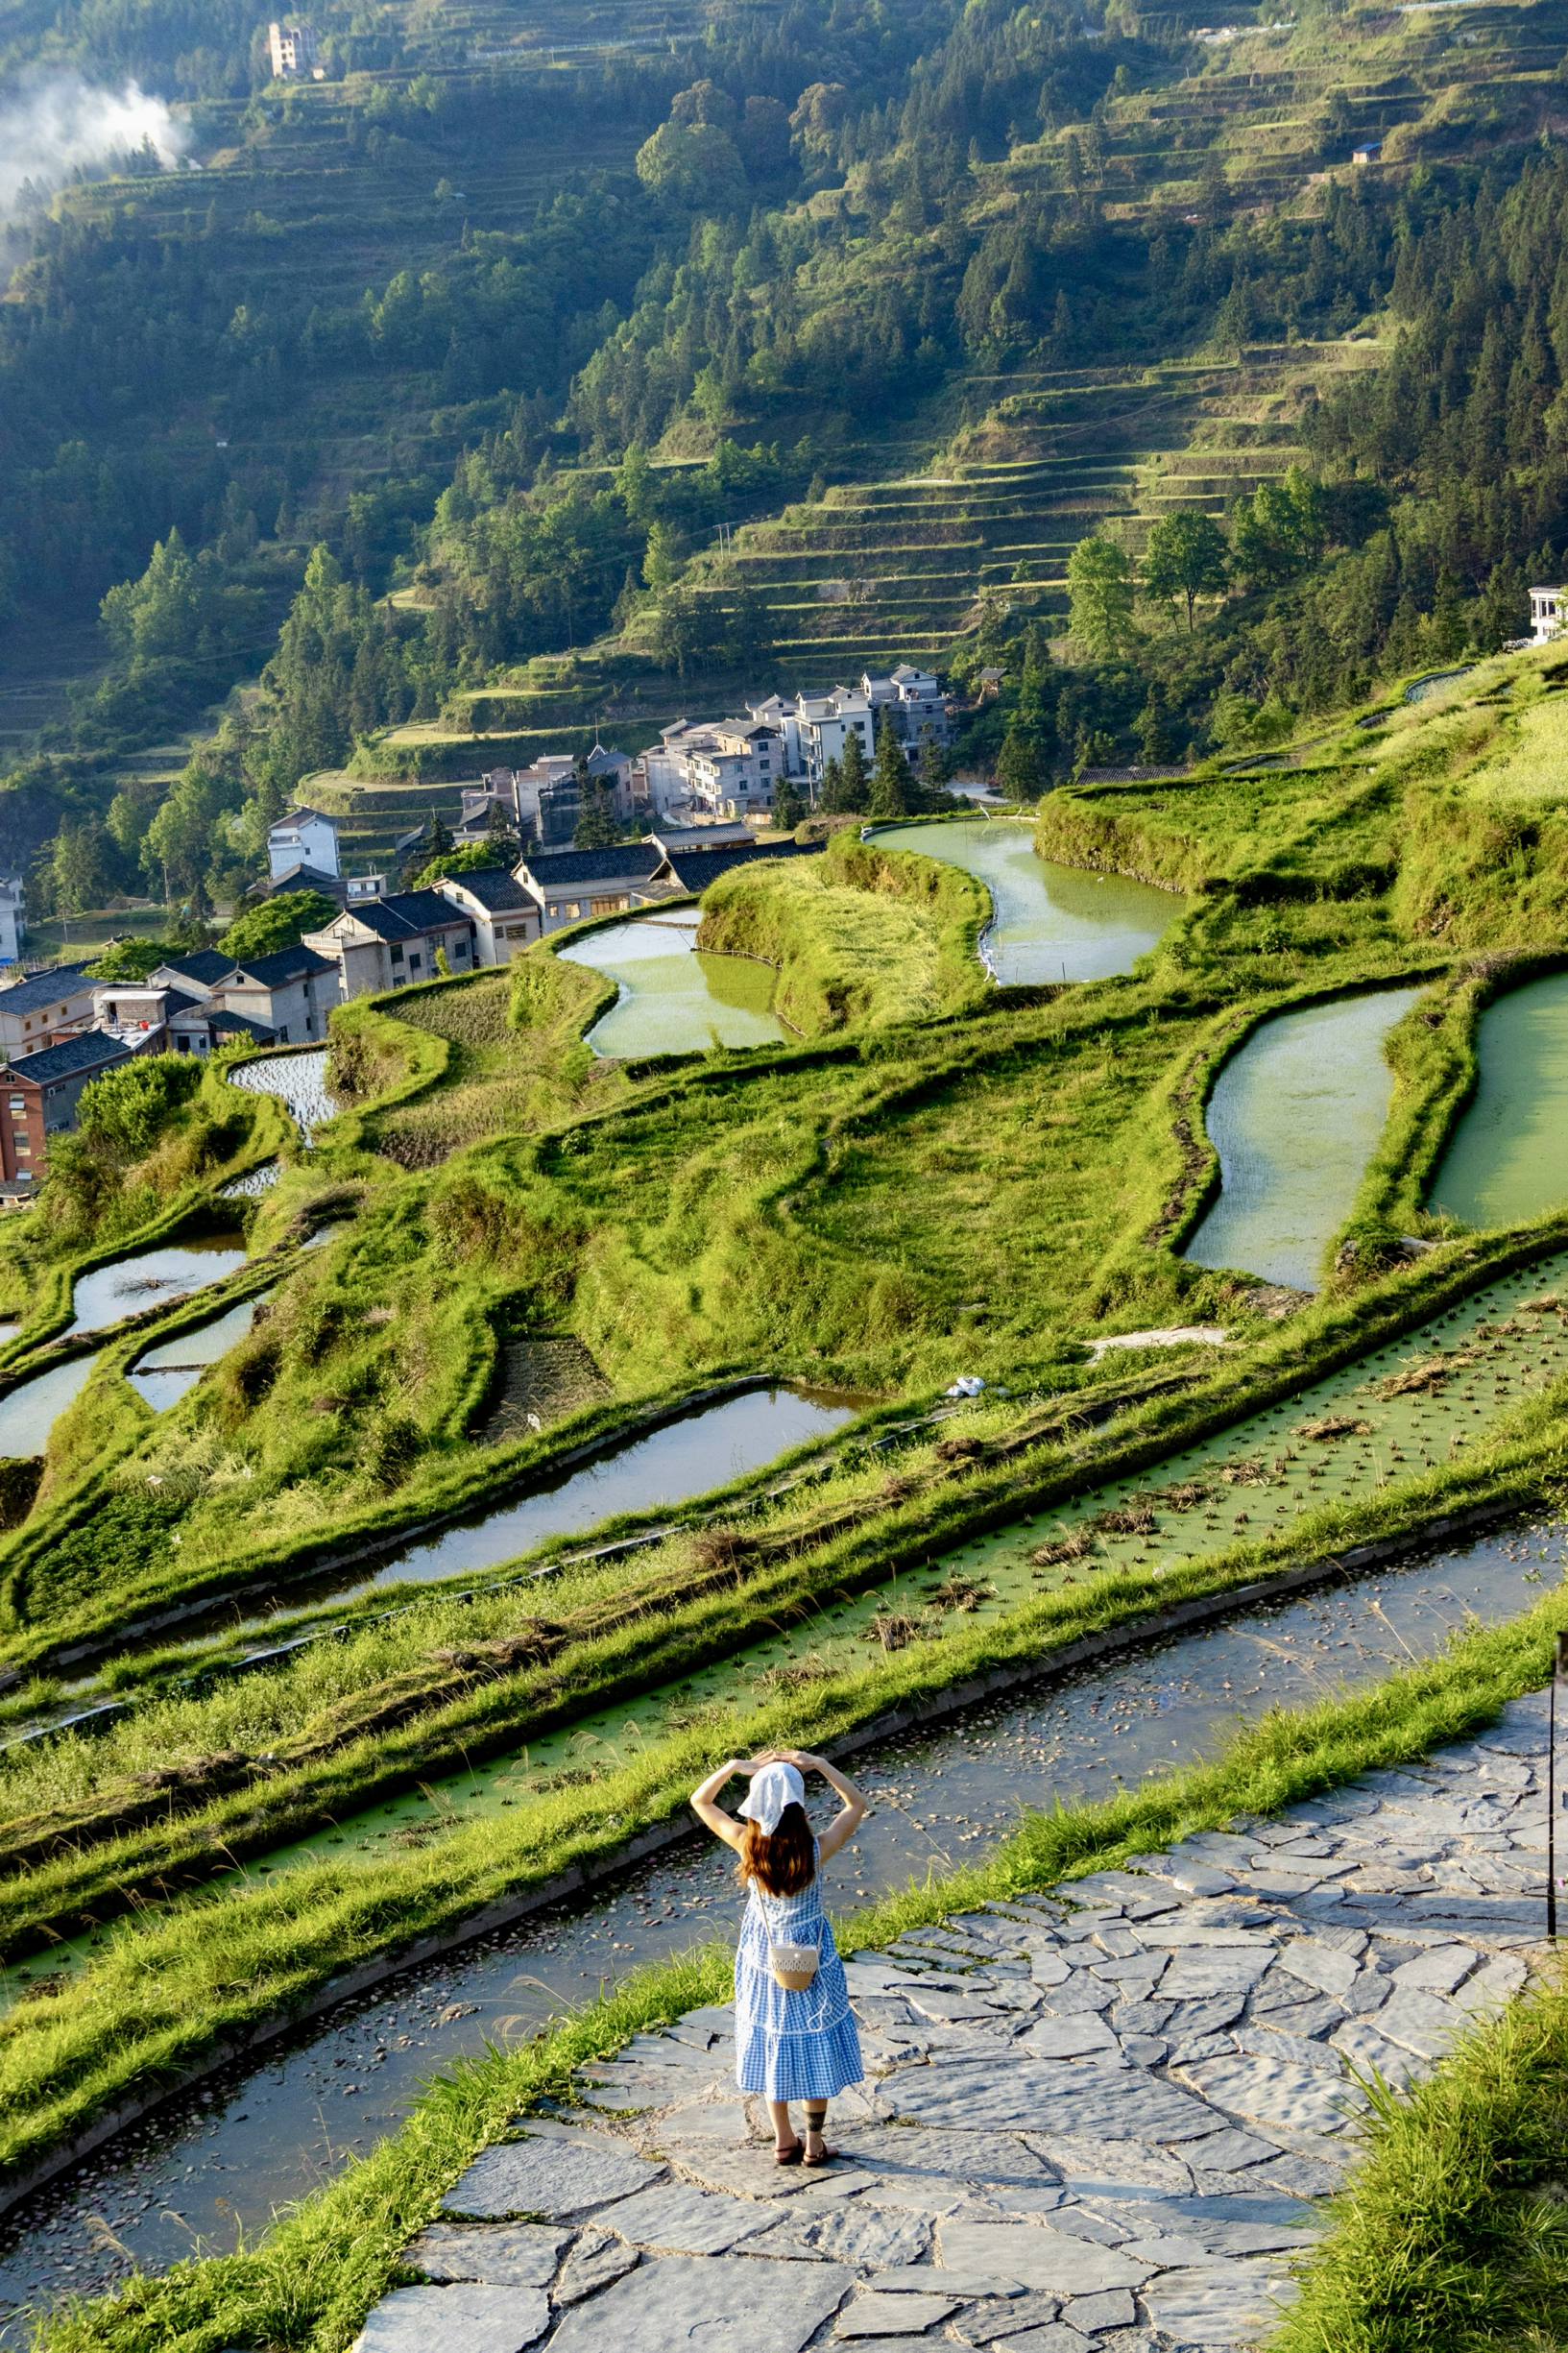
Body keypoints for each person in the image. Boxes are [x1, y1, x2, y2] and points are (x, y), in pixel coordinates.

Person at [689, 1745, 868, 2166]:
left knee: (773, 2040)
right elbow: (857, 1802)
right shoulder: (815, 1850)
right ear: (798, 1807)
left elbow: (701, 1801)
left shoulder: (747, 1846)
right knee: (814, 2040)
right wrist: (821, 1763)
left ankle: (783, 2140)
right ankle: (814, 2143)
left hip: (762, 1960)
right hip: (812, 1961)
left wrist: (735, 1765)